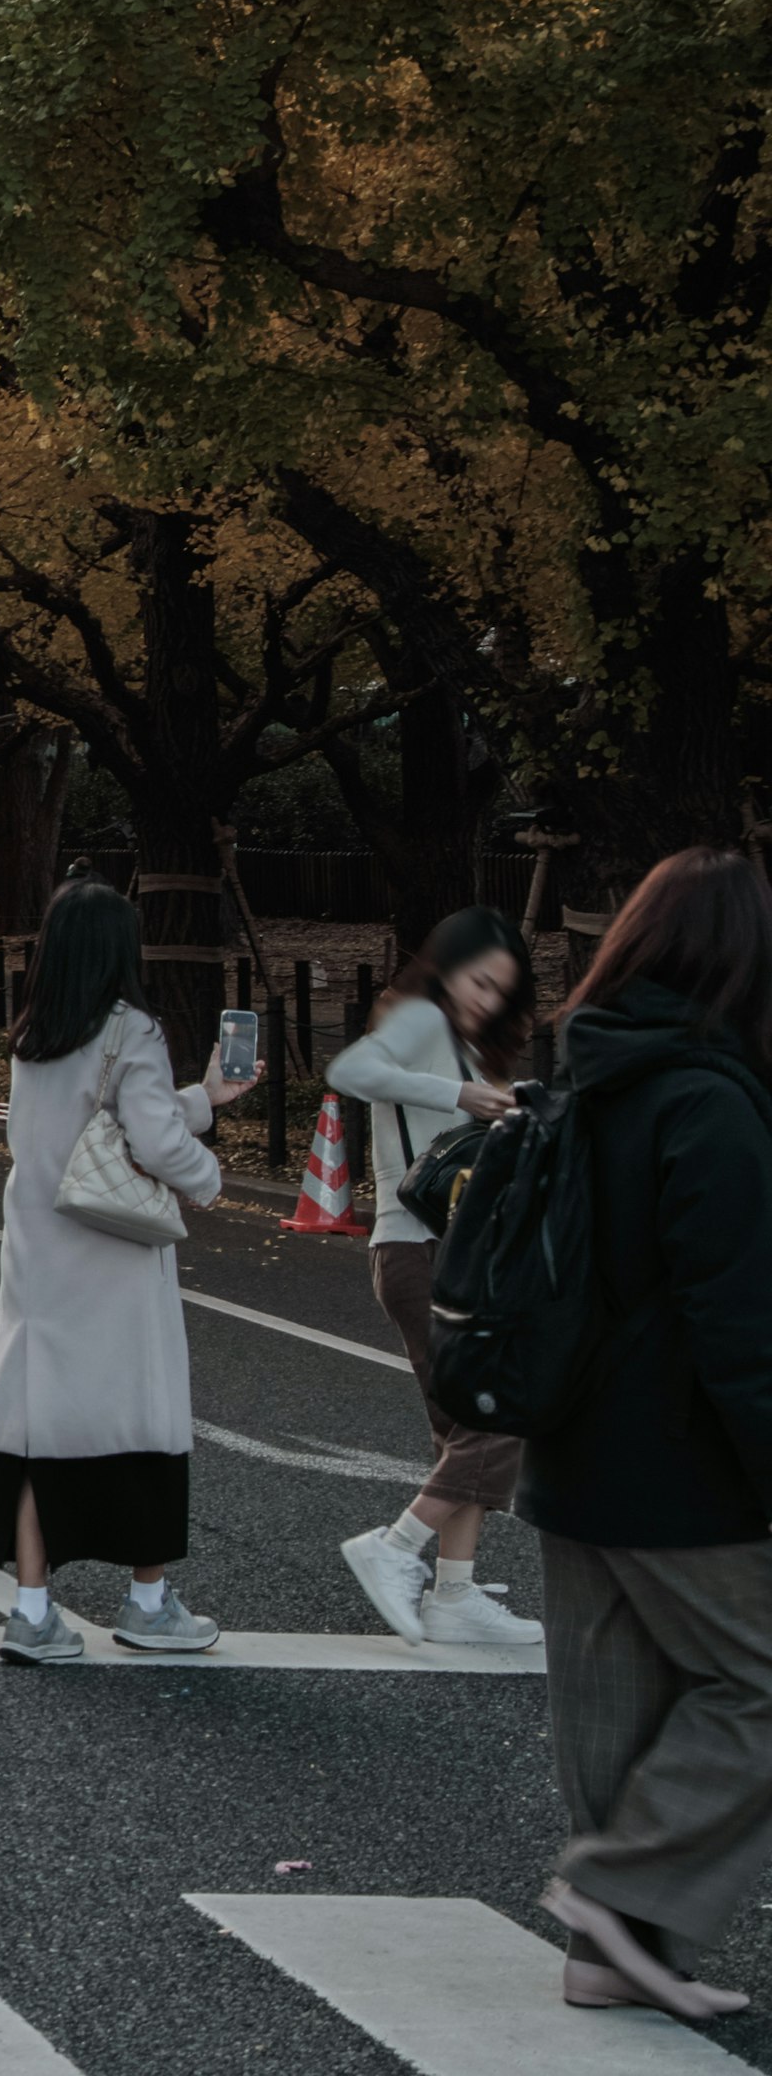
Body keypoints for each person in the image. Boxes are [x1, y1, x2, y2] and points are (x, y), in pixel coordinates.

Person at [527, 848, 772, 2022]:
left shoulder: (587, 1077)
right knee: (761, 1679)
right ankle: (619, 1891)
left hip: (566, 1447)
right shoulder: (708, 1101)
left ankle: (617, 1955)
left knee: (614, 1710)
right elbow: (741, 1322)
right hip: (678, 1463)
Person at [0, 879, 255, 1664]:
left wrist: (206, 1097)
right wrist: (208, 1178)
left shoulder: (36, 1032)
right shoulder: (133, 1029)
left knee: (39, 1429)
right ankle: (148, 1601)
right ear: (121, 950)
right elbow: (155, 1144)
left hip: (38, 1250)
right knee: (140, 1422)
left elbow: (99, 1123)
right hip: (113, 1253)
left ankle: (32, 1612)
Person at [327, 907, 542, 1645]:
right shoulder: (418, 1018)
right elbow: (347, 1071)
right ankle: (395, 1549)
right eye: (480, 980)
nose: (487, 999)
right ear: (446, 966)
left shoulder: (458, 1040)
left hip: (441, 1253)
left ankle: (454, 1594)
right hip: (420, 1251)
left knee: (464, 1426)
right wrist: (462, 1096)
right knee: (499, 1416)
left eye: (501, 991)